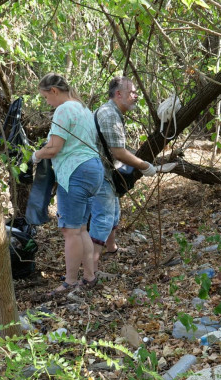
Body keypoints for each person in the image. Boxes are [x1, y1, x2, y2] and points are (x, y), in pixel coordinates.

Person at [33, 73, 104, 295]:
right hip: (93, 169)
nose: (47, 103)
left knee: (70, 231)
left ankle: (70, 282)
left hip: (75, 171)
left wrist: (36, 155)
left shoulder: (63, 109)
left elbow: (54, 148)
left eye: (46, 97)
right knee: (81, 228)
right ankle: (89, 277)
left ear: (54, 91)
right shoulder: (83, 108)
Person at [89, 76, 158, 270]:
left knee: (114, 213)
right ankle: (91, 269)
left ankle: (111, 248)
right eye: (132, 92)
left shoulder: (113, 112)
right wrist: (144, 166)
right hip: (98, 173)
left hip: (105, 172)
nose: (136, 96)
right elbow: (117, 152)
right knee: (103, 218)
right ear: (118, 94)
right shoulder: (109, 114)